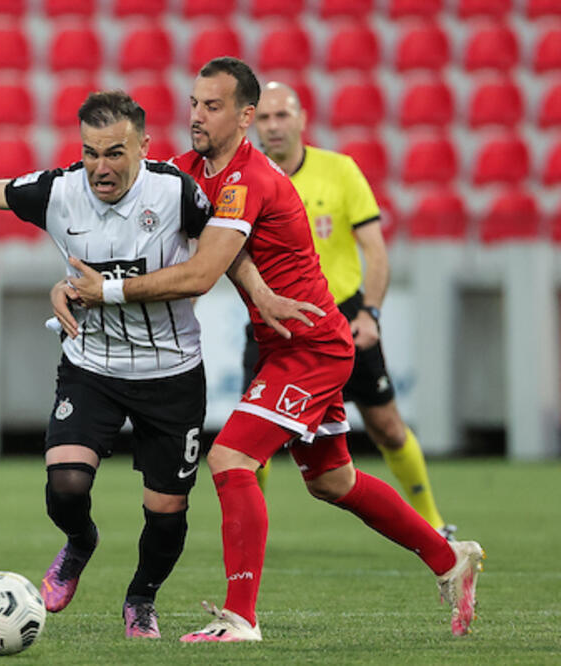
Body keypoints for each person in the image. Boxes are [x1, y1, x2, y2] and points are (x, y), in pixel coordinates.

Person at [0, 90, 316, 638]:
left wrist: (262, 293)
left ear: (143, 147)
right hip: (92, 366)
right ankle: (81, 542)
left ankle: (141, 598)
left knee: (167, 510)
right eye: (89, 153)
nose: (100, 168)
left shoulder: (178, 190)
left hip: (171, 371)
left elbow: (225, 249)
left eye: (114, 153)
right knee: (66, 484)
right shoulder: (58, 191)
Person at [63, 58, 483, 642]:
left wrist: (106, 290)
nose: (197, 116)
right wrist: (259, 288)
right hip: (282, 342)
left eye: (212, 106)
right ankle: (449, 559)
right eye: (193, 103)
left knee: (231, 459)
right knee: (332, 481)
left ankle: (241, 618)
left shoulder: (249, 178)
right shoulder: (194, 169)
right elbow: (186, 219)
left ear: (245, 116)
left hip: (312, 344)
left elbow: (205, 267)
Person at [251, 81, 454, 538]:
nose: (274, 126)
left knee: (387, 426)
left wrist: (371, 314)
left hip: (340, 315)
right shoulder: (248, 178)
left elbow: (376, 252)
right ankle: (250, 533)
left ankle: (435, 523)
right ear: (252, 124)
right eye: (264, 118)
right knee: (252, 440)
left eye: (282, 115)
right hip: (273, 318)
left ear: (302, 118)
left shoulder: (340, 171)